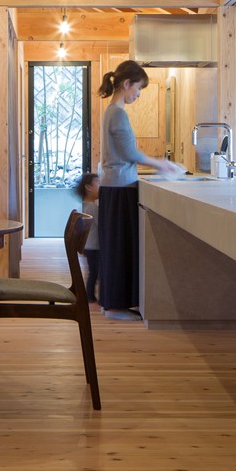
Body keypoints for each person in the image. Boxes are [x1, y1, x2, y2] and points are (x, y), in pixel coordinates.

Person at [94, 60, 184, 321]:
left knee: (115, 245)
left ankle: (113, 303)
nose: (139, 94)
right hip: (120, 186)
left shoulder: (111, 111)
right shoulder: (118, 113)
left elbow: (125, 152)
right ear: (126, 84)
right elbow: (129, 153)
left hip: (114, 186)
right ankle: (116, 307)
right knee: (121, 246)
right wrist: (161, 164)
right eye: (138, 88)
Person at [76, 171, 101, 302]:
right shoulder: (92, 208)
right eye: (98, 183)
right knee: (94, 272)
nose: (101, 186)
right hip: (94, 246)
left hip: (89, 245)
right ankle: (89, 296)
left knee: (93, 271)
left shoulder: (86, 205)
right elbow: (101, 224)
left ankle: (90, 295)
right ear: (89, 187)